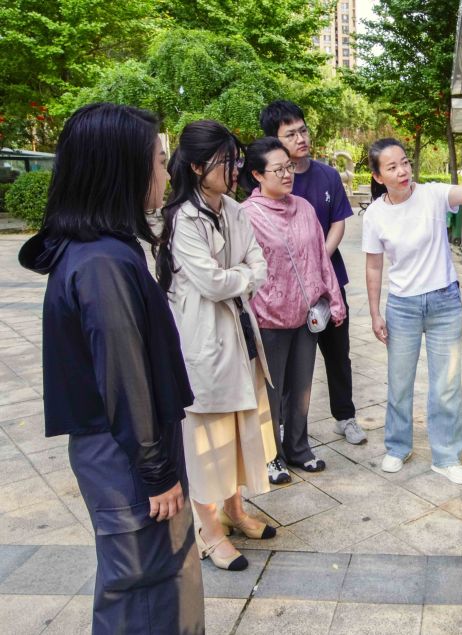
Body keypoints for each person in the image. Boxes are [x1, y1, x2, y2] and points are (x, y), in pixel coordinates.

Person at [18, 103, 204, 633]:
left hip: (124, 445)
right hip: (125, 451)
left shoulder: (100, 250)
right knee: (145, 593)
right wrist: (155, 470)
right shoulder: (101, 261)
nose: (166, 174)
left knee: (155, 583)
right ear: (122, 168)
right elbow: (123, 375)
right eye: (159, 161)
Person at [362, 138, 462, 484]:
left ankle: (446, 456)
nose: (402, 171)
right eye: (392, 167)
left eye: (404, 162)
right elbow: (374, 266)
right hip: (403, 307)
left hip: (444, 303)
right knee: (399, 383)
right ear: (378, 176)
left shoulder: (432, 195)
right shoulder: (375, 215)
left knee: (446, 385)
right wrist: (375, 313)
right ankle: (397, 447)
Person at [156, 120, 278, 572]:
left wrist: (238, 277)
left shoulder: (234, 209)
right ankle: (208, 531)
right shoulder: (180, 219)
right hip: (203, 340)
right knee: (208, 438)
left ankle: (235, 511)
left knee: (239, 431)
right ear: (196, 166)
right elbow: (211, 282)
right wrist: (243, 278)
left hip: (239, 333)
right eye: (226, 161)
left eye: (235, 160)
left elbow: (258, 262)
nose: (235, 169)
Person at [240, 137, 347, 483]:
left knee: (301, 389)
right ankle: (270, 456)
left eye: (289, 167)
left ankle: (299, 448)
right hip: (268, 318)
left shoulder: (303, 208)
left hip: (305, 316)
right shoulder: (246, 215)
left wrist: (333, 299)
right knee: (271, 392)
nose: (288, 174)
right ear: (257, 175)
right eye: (279, 169)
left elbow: (320, 258)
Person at [259, 101, 366, 446]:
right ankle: (283, 426)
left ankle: (345, 416)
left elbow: (338, 222)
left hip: (329, 282)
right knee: (290, 362)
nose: (301, 138)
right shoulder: (270, 181)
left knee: (338, 354)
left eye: (302, 130)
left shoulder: (327, 175)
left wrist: (318, 260)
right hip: (288, 292)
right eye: (290, 134)